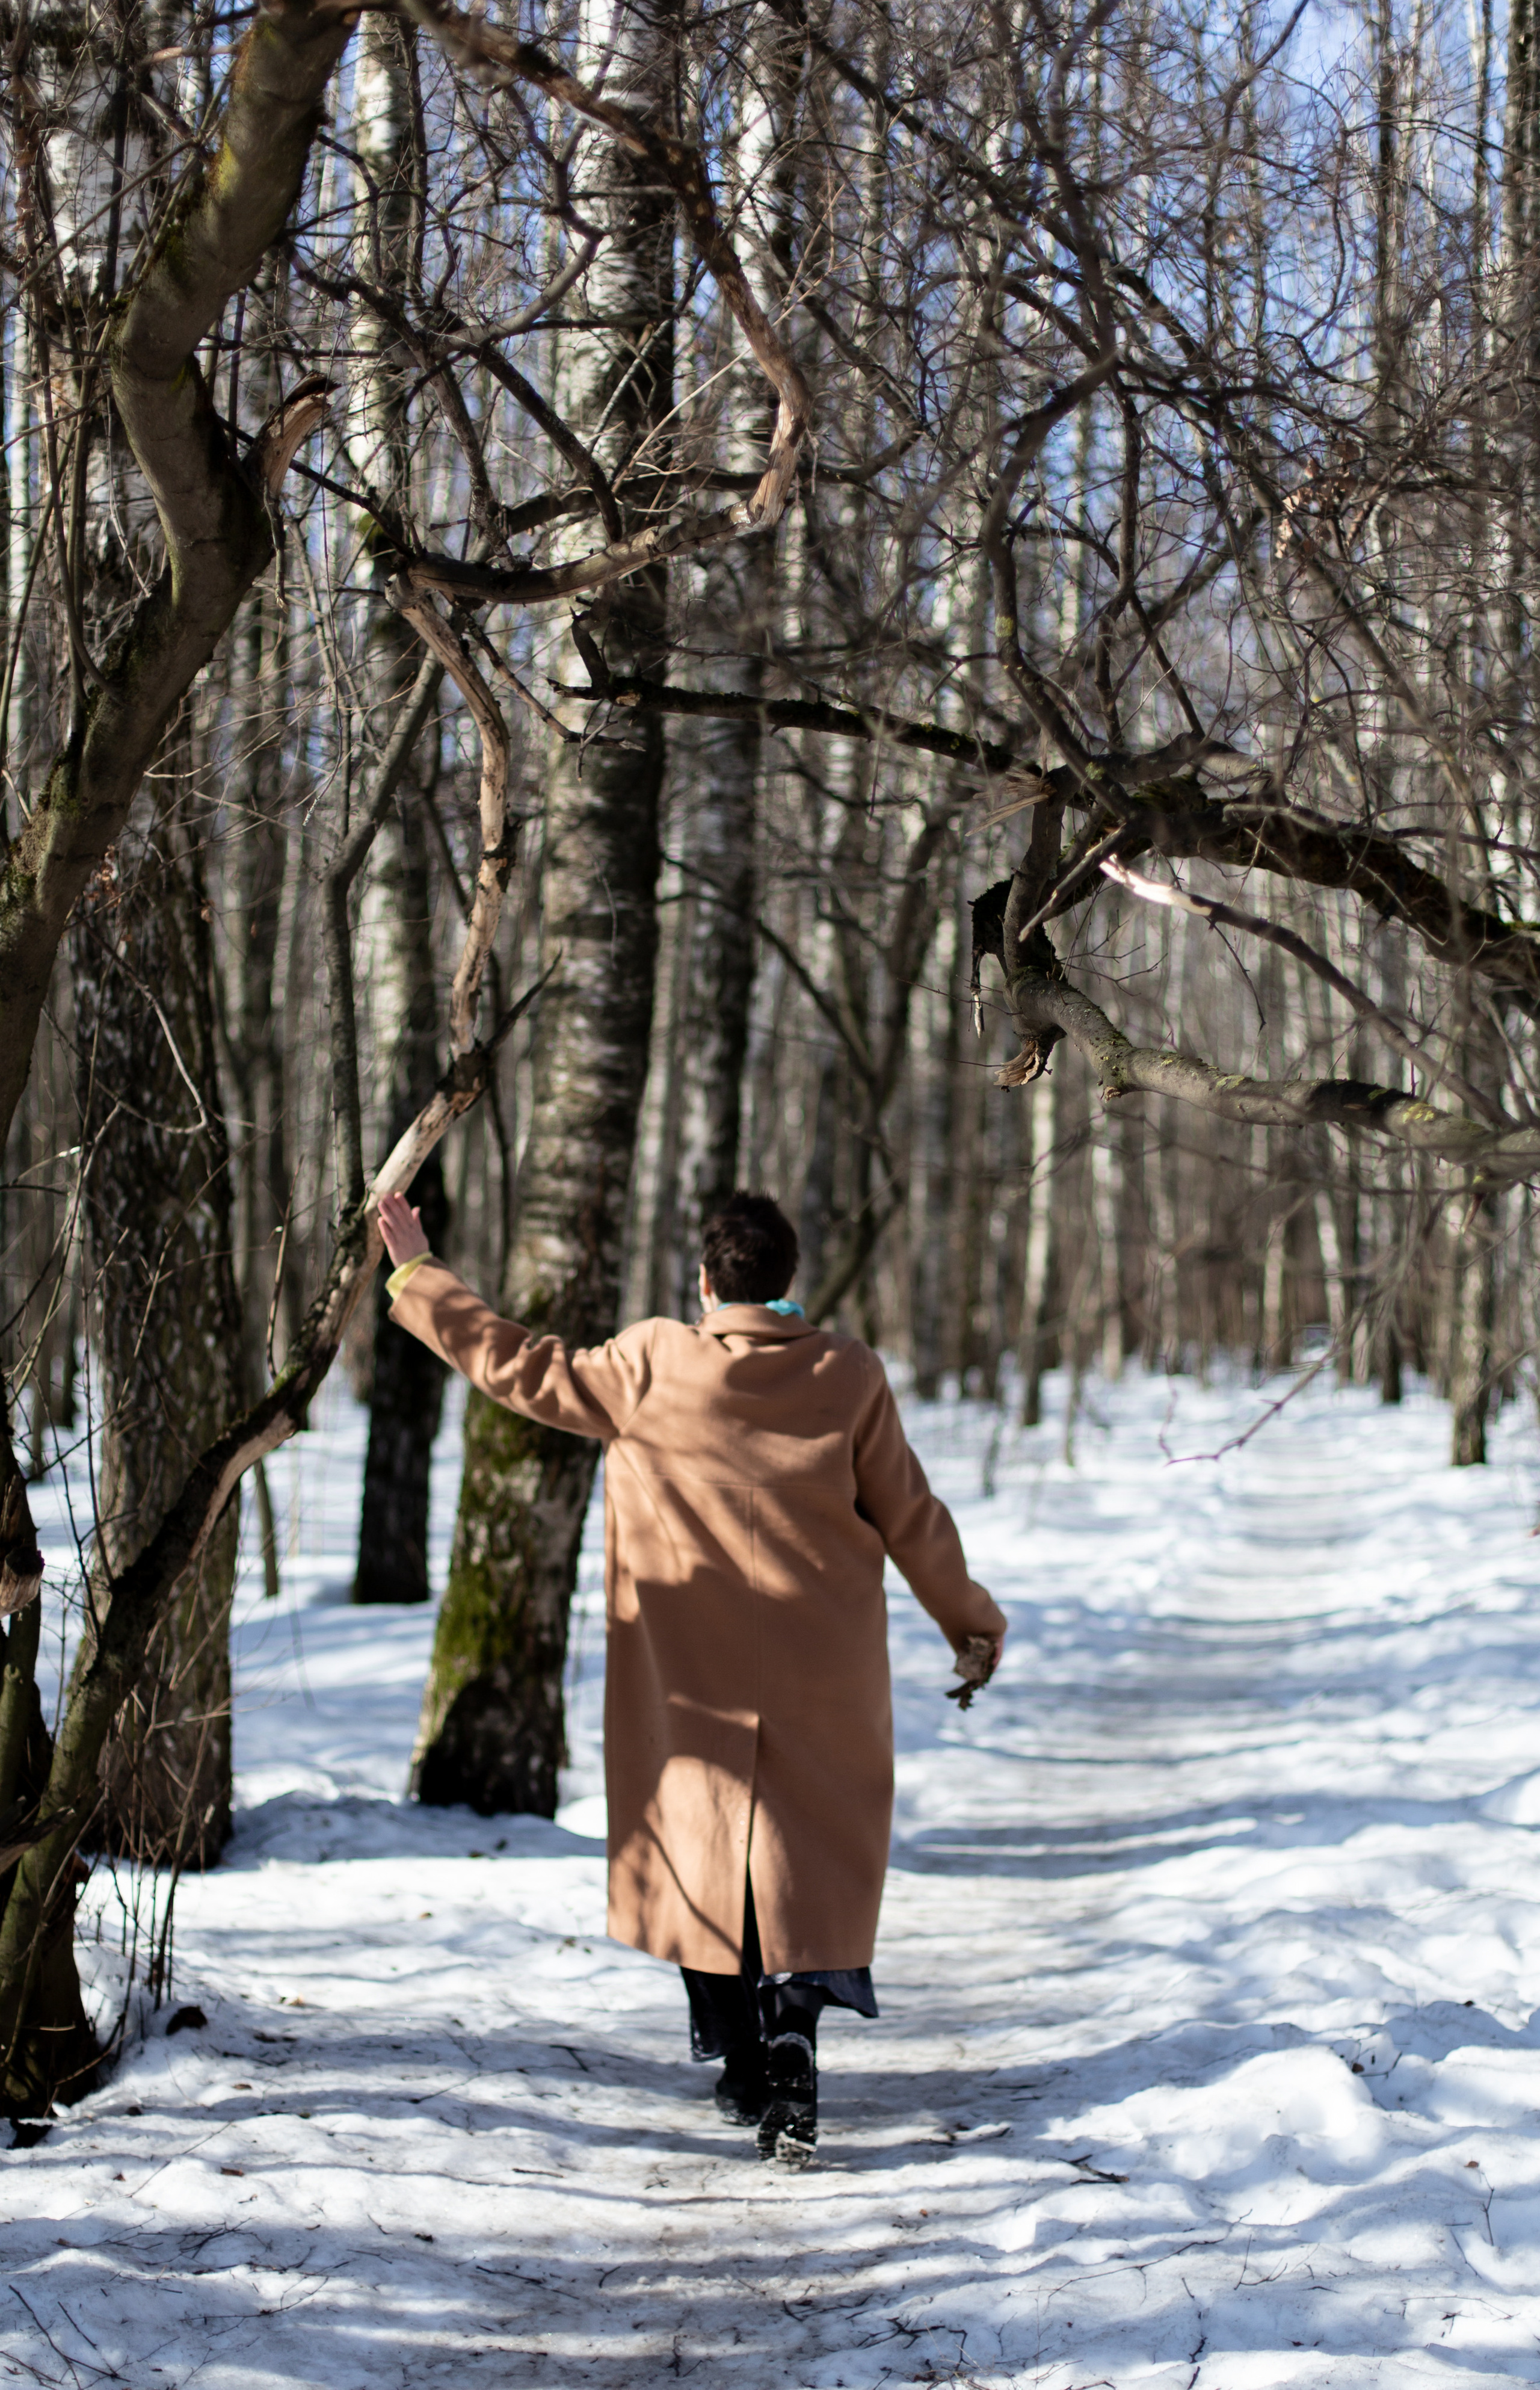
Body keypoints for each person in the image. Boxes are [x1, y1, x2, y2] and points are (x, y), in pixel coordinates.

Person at [375, 1185, 1006, 2165]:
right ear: (787, 1285)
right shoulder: (848, 1373)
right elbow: (910, 1515)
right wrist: (970, 1623)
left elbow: (515, 1364)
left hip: (691, 1674)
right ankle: (792, 2028)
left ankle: (747, 2059)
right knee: (803, 1857)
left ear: (705, 1283)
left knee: (701, 1856)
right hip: (823, 1666)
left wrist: (419, 1276)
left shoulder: (651, 1362)